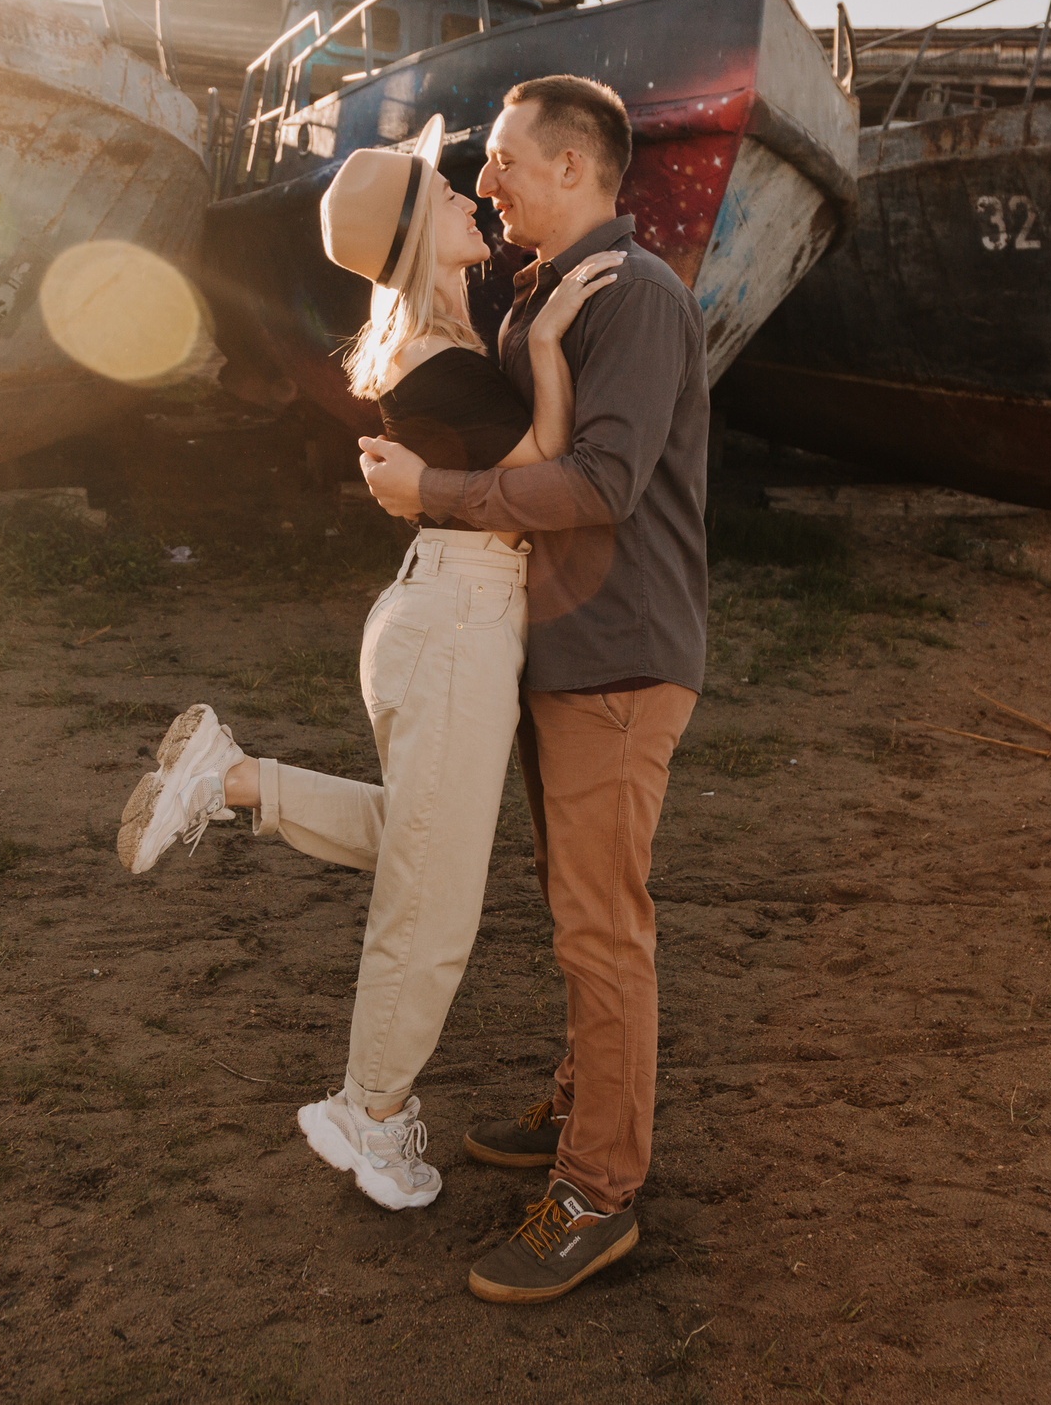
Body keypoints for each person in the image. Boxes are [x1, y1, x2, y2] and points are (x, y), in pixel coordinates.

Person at [111, 113, 622, 1217]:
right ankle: (369, 1111)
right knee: (431, 905)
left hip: (449, 611)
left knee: (419, 848)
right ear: (414, 238)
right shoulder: (430, 359)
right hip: (452, 620)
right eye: (443, 197)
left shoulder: (436, 340)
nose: (466, 200)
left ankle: (230, 779)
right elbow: (544, 463)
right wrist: (544, 349)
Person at [358, 74, 707, 1306]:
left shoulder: (636, 298)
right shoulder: (546, 293)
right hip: (561, 651)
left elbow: (603, 484)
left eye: (503, 159)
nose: (486, 179)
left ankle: (598, 1192)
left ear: (573, 169)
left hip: (618, 654)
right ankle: (581, 1097)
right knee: (579, 914)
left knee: (602, 929)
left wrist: (435, 496)